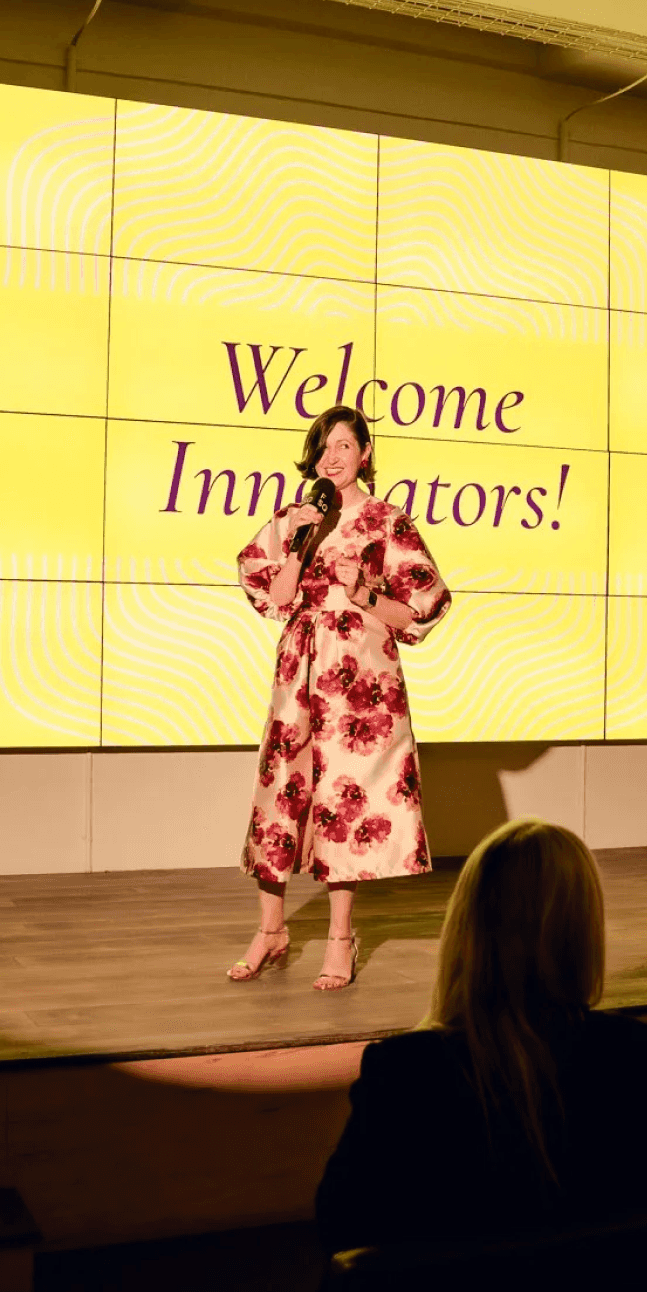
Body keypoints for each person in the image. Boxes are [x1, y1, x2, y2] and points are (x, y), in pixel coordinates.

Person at [291, 819, 647, 1292]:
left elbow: (341, 1228)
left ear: (466, 927)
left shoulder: (407, 1071)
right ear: (583, 930)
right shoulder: (635, 1056)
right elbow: (645, 1204)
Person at [228, 405, 451, 990]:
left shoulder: (387, 522)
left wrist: (363, 597)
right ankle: (270, 930)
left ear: (366, 454)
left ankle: (339, 939)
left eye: (344, 447)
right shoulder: (295, 519)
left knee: (343, 801)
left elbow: (425, 607)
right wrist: (296, 544)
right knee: (282, 791)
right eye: (324, 447)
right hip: (300, 667)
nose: (332, 458)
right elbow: (270, 592)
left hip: (361, 678)